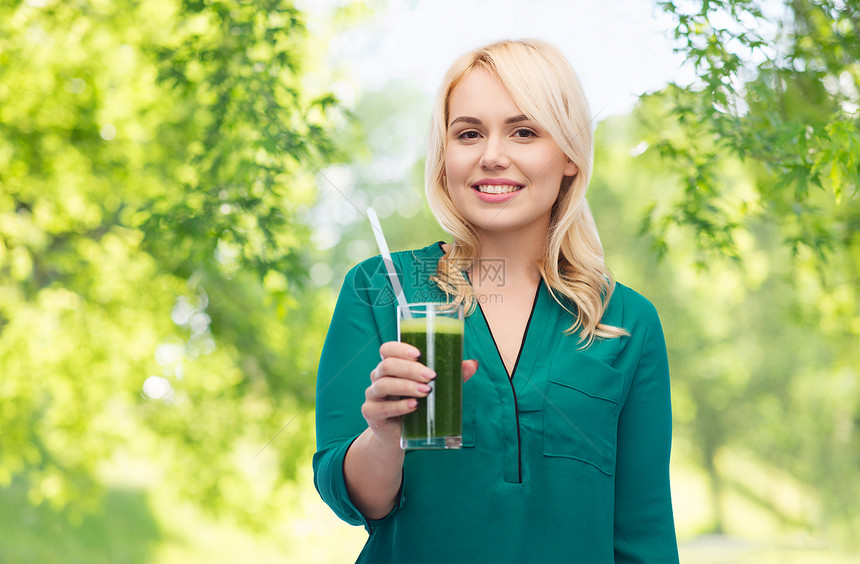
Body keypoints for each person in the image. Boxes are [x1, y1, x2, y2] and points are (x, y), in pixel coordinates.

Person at [313, 39, 679, 563]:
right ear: (444, 159)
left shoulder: (625, 320)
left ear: (570, 156)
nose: (491, 156)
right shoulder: (379, 288)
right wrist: (384, 435)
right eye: (468, 134)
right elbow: (353, 501)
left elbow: (643, 535)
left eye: (524, 132)